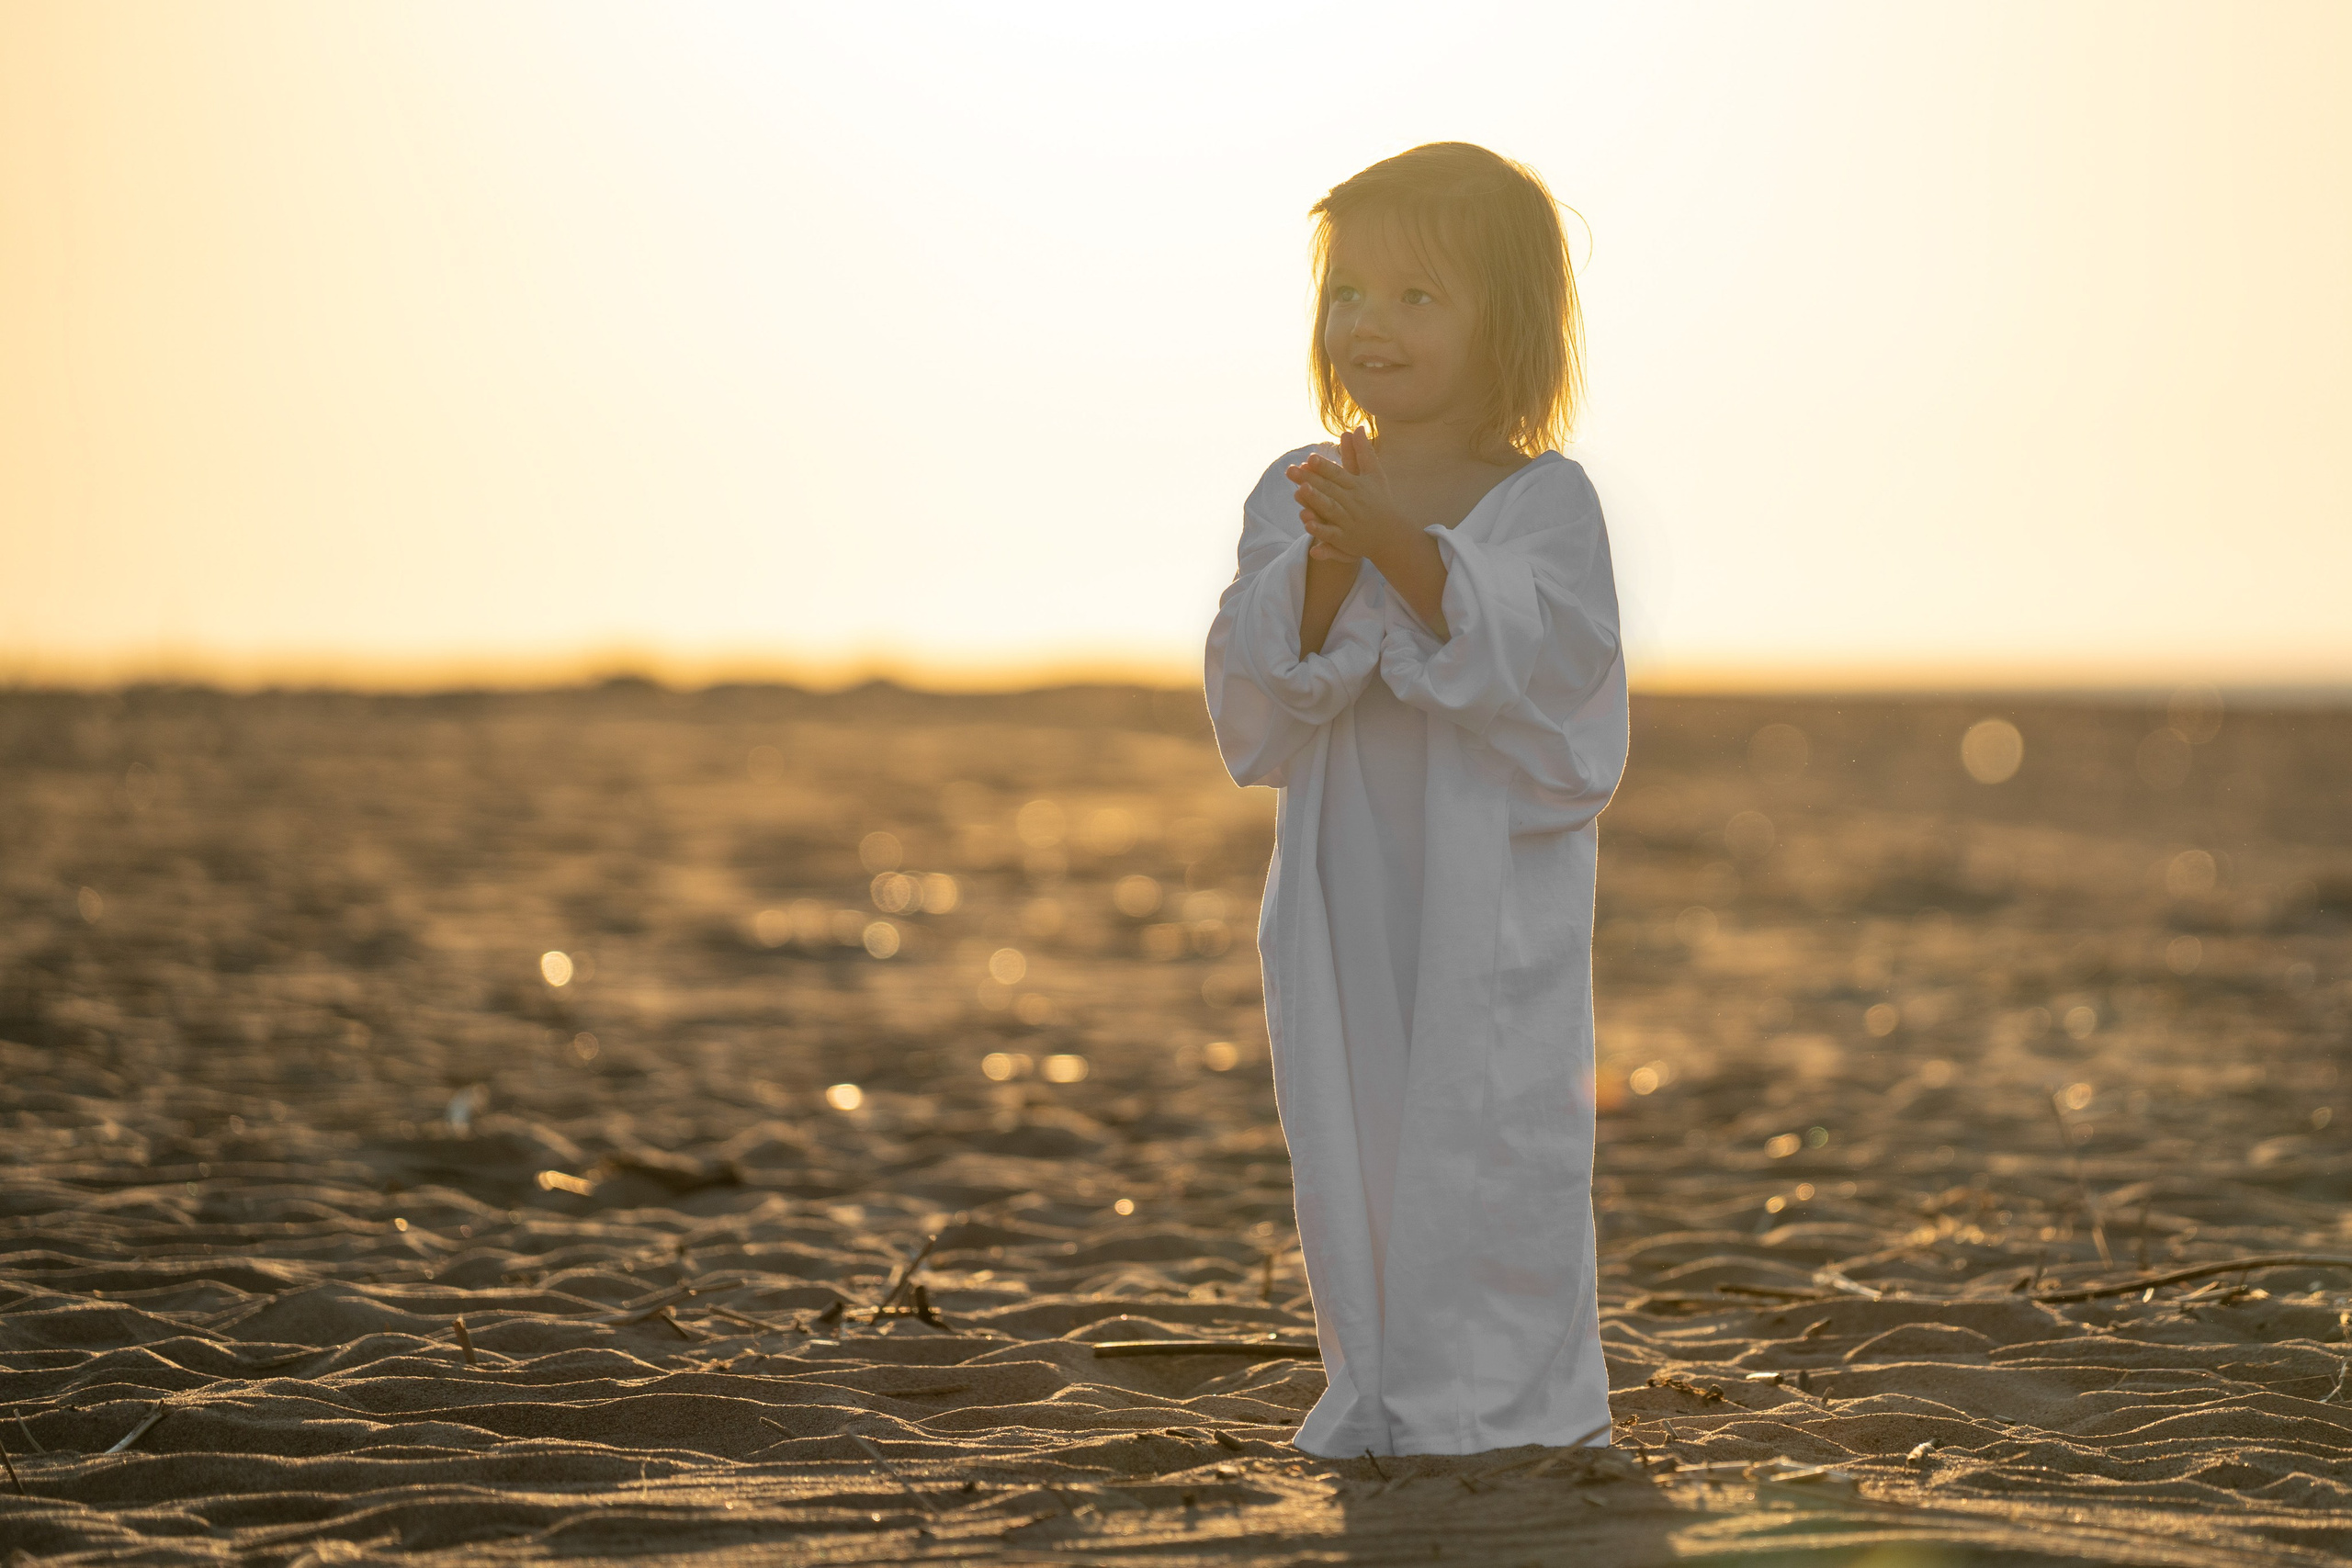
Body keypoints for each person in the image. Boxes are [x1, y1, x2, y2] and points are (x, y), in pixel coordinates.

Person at [1202, 141, 1628, 1458]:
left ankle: (1508, 1404)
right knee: (1356, 1123)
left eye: (1418, 298)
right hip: (1344, 883)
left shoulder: (1546, 502)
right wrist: (1335, 551)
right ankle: (1381, 1384)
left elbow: (1545, 672)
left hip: (1491, 896)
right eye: (1351, 294)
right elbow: (1270, 683)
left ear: (1508, 322)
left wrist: (1398, 545)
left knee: (1491, 1121)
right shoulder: (1300, 487)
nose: (1371, 325)